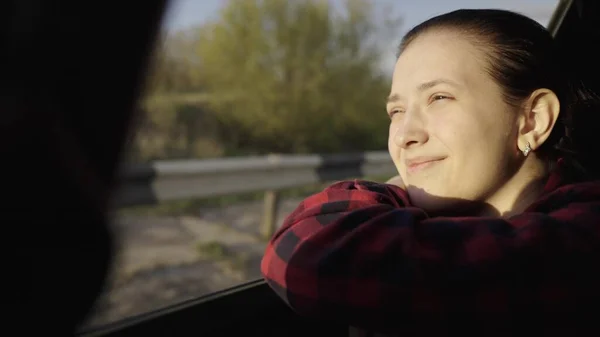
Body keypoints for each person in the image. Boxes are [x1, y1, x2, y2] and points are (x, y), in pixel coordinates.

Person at [260, 9, 600, 337]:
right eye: (396, 110)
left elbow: (303, 254)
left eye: (439, 97)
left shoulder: (582, 238)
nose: (405, 134)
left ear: (532, 120)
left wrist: (391, 191)